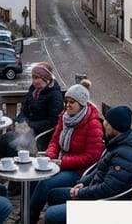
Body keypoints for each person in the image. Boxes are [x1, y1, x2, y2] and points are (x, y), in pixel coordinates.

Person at [43, 105, 132, 224]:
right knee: (53, 195)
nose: (104, 125)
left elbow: (108, 189)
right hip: (94, 193)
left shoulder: (126, 155)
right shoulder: (117, 144)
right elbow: (98, 170)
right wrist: (83, 183)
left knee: (51, 215)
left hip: (105, 204)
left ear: (114, 127)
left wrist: (81, 194)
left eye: (107, 123)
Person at [27, 82, 104, 224]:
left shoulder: (93, 124)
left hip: (79, 171)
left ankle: (30, 219)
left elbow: (92, 156)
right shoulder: (64, 116)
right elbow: (55, 141)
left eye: (72, 102)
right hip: (61, 163)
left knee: (45, 184)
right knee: (33, 178)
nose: (67, 105)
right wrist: (49, 156)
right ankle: (25, 215)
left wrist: (63, 162)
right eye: (66, 101)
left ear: (81, 104)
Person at [0, 62, 64, 158]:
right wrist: (19, 122)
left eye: (37, 78)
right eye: (33, 77)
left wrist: (30, 126)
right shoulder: (33, 90)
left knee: (12, 147)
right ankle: (5, 167)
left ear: (45, 78)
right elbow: (24, 110)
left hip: (42, 135)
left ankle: (18, 169)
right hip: (26, 131)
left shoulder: (55, 95)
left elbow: (53, 121)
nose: (34, 81)